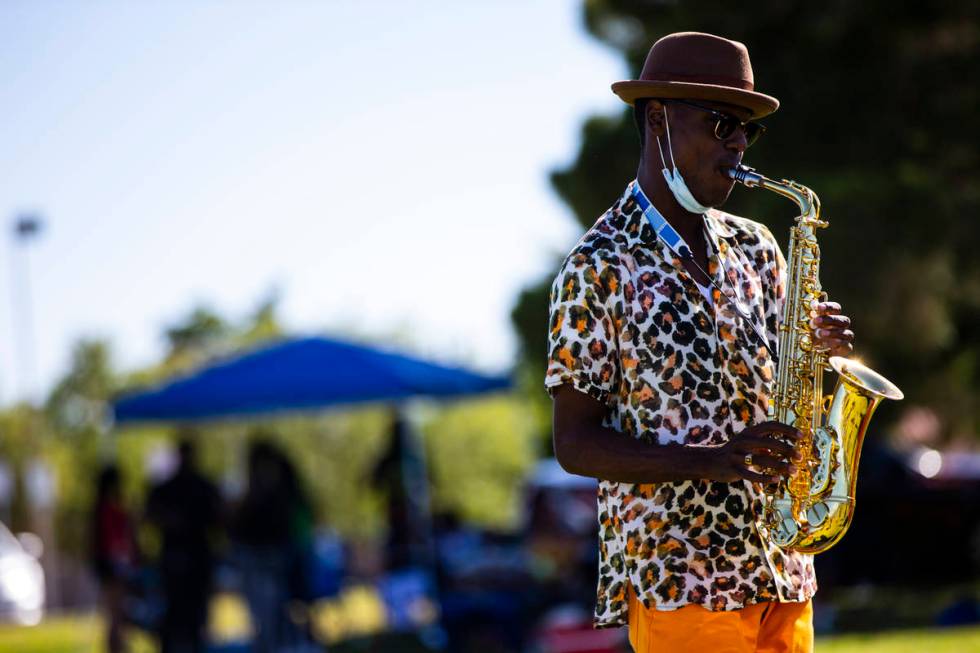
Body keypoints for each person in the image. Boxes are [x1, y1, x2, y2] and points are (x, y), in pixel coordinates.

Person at [546, 32, 855, 653]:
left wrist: (820, 350)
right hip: (680, 576)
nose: (738, 143)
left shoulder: (759, 245)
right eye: (721, 125)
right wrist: (710, 460)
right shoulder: (597, 266)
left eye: (746, 129)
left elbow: (785, 377)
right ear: (657, 119)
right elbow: (575, 444)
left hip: (782, 567)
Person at [145, 437, 222, 653]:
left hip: (197, 558)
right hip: (176, 558)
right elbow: (150, 515)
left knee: (195, 615)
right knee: (175, 613)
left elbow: (219, 518)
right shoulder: (168, 488)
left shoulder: (203, 487)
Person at [91, 465, 136, 653]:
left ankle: (119, 647)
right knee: (115, 614)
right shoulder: (106, 509)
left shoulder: (106, 507)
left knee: (117, 615)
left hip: (113, 566)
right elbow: (114, 541)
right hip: (112, 566)